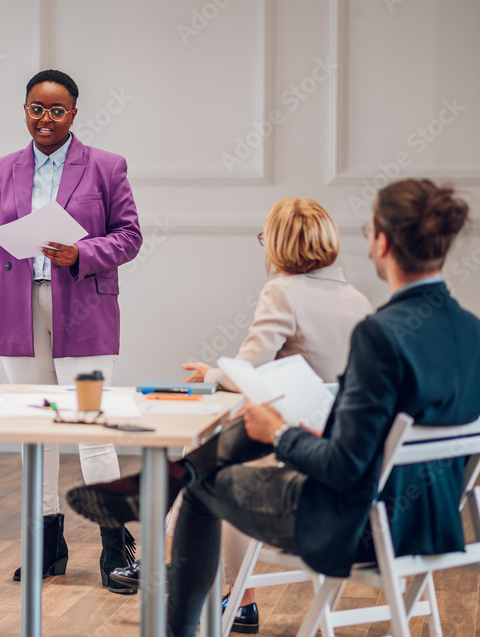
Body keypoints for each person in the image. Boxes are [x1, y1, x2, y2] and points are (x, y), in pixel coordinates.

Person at [67, 178, 480, 637]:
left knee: (206, 485)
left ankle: (177, 594)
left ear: (382, 241)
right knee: (237, 443)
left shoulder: (380, 335)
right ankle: (163, 486)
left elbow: (345, 467)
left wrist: (279, 433)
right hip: (436, 520)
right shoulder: (474, 332)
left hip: (362, 524)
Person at [0, 69, 143, 592]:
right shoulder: (2, 170)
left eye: (57, 110)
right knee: (36, 428)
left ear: (74, 113)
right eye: (36, 109)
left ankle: (117, 547)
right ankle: (48, 545)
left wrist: (81, 252)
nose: (45, 119)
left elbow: (129, 237)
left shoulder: (106, 167)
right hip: (19, 312)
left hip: (83, 308)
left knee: (90, 426)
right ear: (25, 110)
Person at [109, 198, 373, 633]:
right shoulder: (357, 298)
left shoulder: (283, 291)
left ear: (280, 244)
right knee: (206, 448)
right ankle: (186, 571)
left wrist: (210, 373)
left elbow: (248, 368)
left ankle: (222, 587)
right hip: (337, 446)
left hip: (293, 450)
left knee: (210, 460)